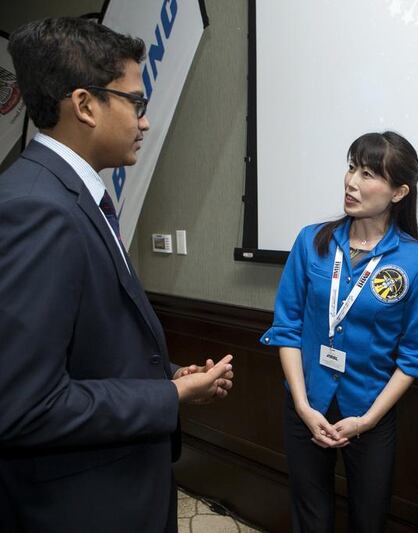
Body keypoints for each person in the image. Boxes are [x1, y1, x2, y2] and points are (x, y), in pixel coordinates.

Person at [0, 18, 234, 533]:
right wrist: (170, 398)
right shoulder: (40, 210)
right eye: (136, 103)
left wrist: (167, 374)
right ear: (85, 105)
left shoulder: (65, 193)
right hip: (85, 504)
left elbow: (82, 340)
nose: (144, 122)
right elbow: (25, 404)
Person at [261, 131, 418, 532]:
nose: (352, 182)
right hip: (307, 404)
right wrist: (304, 407)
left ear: (399, 192)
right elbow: (286, 328)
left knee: (368, 520)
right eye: (351, 167)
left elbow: (414, 358)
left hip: (370, 413)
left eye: (369, 174)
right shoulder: (312, 241)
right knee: (311, 517)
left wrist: (367, 421)